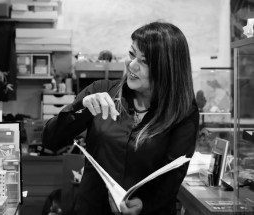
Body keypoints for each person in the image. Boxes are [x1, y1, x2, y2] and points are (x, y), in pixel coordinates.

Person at [42, 22, 199, 215]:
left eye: (145, 61)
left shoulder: (182, 110)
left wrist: (145, 204)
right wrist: (81, 108)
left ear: (168, 68)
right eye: (132, 54)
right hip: (92, 208)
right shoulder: (101, 91)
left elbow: (174, 174)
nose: (132, 65)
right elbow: (51, 139)